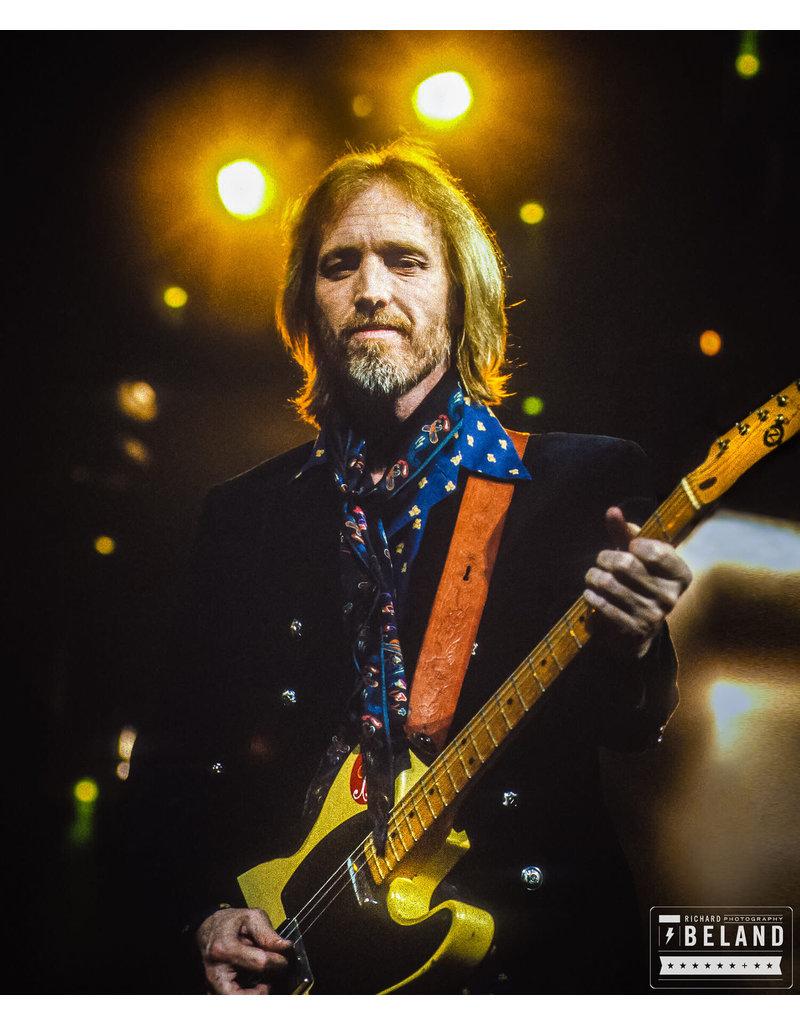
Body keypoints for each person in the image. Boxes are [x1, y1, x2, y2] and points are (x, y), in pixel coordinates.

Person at [132, 139, 692, 995]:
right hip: (305, 953)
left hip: (529, 964)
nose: (371, 290)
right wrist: (205, 912)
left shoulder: (579, 481)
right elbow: (172, 763)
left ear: (459, 292)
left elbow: (627, 729)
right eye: (339, 265)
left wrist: (638, 642)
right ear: (305, 306)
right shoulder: (243, 515)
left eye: (405, 260)